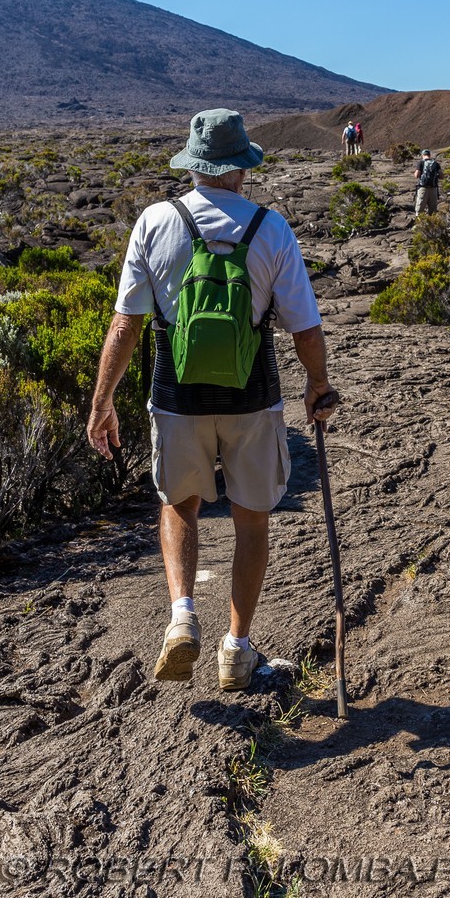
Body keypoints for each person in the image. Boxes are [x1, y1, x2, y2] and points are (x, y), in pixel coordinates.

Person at [87, 109, 340, 693]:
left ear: (195, 167)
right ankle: (237, 650)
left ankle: (181, 618)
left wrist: (103, 403)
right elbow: (304, 330)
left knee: (180, 505)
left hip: (176, 398)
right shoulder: (271, 229)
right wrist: (318, 385)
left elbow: (126, 325)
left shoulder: (156, 221)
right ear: (241, 169)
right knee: (252, 521)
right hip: (252, 398)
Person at [414, 149, 442, 215]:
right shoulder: (435, 163)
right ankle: (432, 224)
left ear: (422, 155)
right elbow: (442, 176)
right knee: (433, 211)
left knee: (420, 209)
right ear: (429, 155)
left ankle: (419, 223)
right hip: (433, 189)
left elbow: (417, 175)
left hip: (423, 188)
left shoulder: (421, 162)